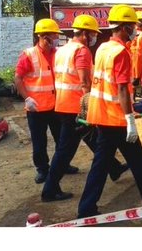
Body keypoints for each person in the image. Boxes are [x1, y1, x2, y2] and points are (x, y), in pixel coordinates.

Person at [77, 5, 142, 219]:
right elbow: (121, 88)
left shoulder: (103, 48)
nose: (134, 29)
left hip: (102, 114)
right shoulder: (121, 52)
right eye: (131, 26)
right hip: (116, 118)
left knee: (113, 163)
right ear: (123, 27)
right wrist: (130, 120)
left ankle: (87, 208)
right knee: (130, 161)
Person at [41, 15, 128, 202]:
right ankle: (49, 189)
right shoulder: (82, 51)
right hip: (76, 107)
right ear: (86, 34)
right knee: (65, 150)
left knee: (94, 138)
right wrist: (90, 104)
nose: (94, 37)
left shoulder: (62, 50)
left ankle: (114, 167)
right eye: (93, 34)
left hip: (63, 103)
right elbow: (84, 82)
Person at [15, 19, 71, 185]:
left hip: (56, 105)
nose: (57, 37)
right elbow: (18, 78)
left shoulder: (58, 53)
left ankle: (62, 165)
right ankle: (42, 169)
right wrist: (27, 98)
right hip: (36, 107)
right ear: (44, 36)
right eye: (54, 35)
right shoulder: (29, 54)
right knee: (39, 142)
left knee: (62, 140)